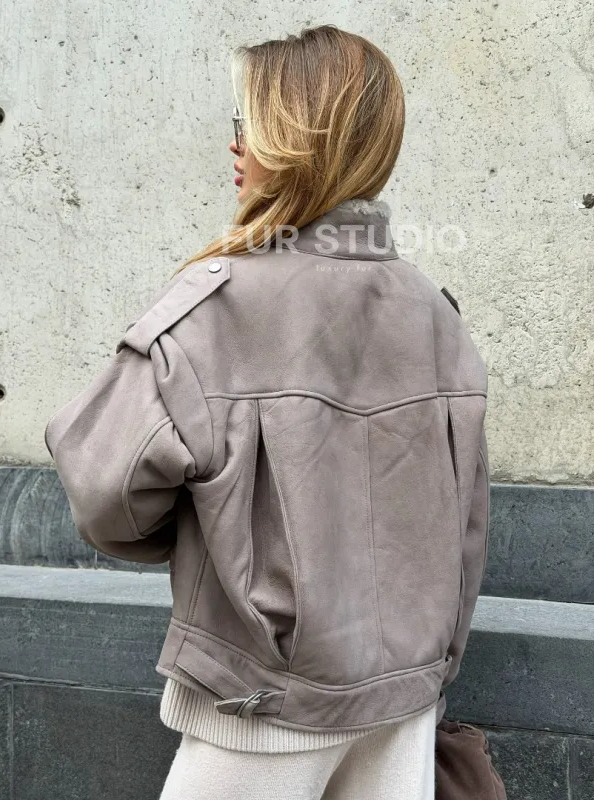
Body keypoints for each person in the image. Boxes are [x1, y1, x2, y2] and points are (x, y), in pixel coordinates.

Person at [45, 24, 489, 800]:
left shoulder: (217, 308)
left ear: (296, 139)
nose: (235, 146)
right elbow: (467, 522)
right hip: (406, 700)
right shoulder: (434, 312)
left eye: (248, 125)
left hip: (262, 701)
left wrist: (218, 531)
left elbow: (104, 492)